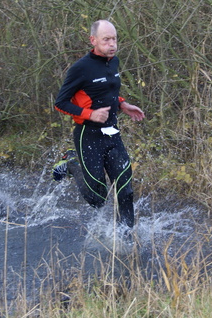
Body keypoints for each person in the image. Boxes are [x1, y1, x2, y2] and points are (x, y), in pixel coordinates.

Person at [53, 19, 145, 229]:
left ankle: (125, 238)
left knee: (125, 188)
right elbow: (60, 103)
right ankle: (71, 163)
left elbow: (107, 92)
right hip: (88, 134)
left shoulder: (114, 62)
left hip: (112, 133)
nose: (112, 44)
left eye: (114, 39)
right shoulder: (80, 68)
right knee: (97, 198)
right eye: (106, 40)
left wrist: (122, 104)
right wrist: (90, 115)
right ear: (93, 40)